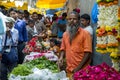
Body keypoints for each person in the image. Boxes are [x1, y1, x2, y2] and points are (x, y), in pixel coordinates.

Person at [57, 11, 92, 79]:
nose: (72, 21)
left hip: (82, 71)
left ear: (78, 21)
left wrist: (78, 68)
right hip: (69, 69)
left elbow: (88, 53)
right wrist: (61, 57)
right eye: (70, 19)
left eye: (74, 19)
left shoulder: (85, 34)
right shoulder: (65, 34)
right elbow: (63, 48)